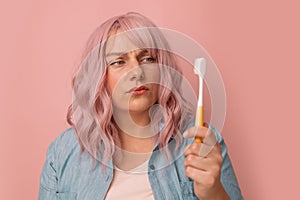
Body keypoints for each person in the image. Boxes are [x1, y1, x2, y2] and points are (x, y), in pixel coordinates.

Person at [38, 12, 243, 200]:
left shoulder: (200, 143)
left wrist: (214, 192)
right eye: (119, 61)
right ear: (99, 77)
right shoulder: (63, 152)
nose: (137, 71)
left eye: (147, 58)